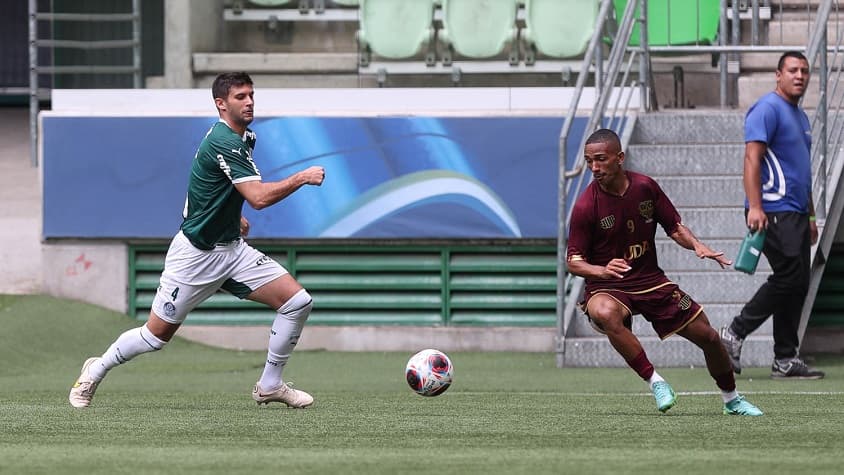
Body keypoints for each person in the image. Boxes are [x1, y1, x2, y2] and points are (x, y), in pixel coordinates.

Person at [69, 72, 326, 408]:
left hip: (232, 251)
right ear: (221, 104)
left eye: (251, 94)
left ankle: (270, 384)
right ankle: (95, 370)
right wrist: (302, 177)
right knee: (154, 337)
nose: (249, 102)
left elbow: (207, 189)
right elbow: (259, 198)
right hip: (195, 256)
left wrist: (232, 218)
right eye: (240, 97)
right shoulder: (225, 141)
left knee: (297, 302)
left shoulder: (244, 138)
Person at [567, 128, 763, 416]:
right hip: (609, 285)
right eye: (589, 161)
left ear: (619, 158)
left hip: (651, 281)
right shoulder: (586, 205)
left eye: (600, 159)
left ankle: (732, 399)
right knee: (604, 312)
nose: (594, 168)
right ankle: (655, 382)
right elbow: (573, 261)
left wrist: (696, 244)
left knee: (709, 337)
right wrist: (602, 270)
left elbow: (674, 227)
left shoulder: (645, 187)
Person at [720, 51, 825, 380]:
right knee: (789, 278)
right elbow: (752, 159)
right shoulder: (767, 109)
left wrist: (810, 216)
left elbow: (802, 172)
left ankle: (784, 358)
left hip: (795, 212)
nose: (800, 76)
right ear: (778, 75)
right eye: (793, 70)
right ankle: (733, 334)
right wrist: (755, 206)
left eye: (805, 71)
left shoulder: (801, 117)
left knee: (798, 283)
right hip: (771, 209)